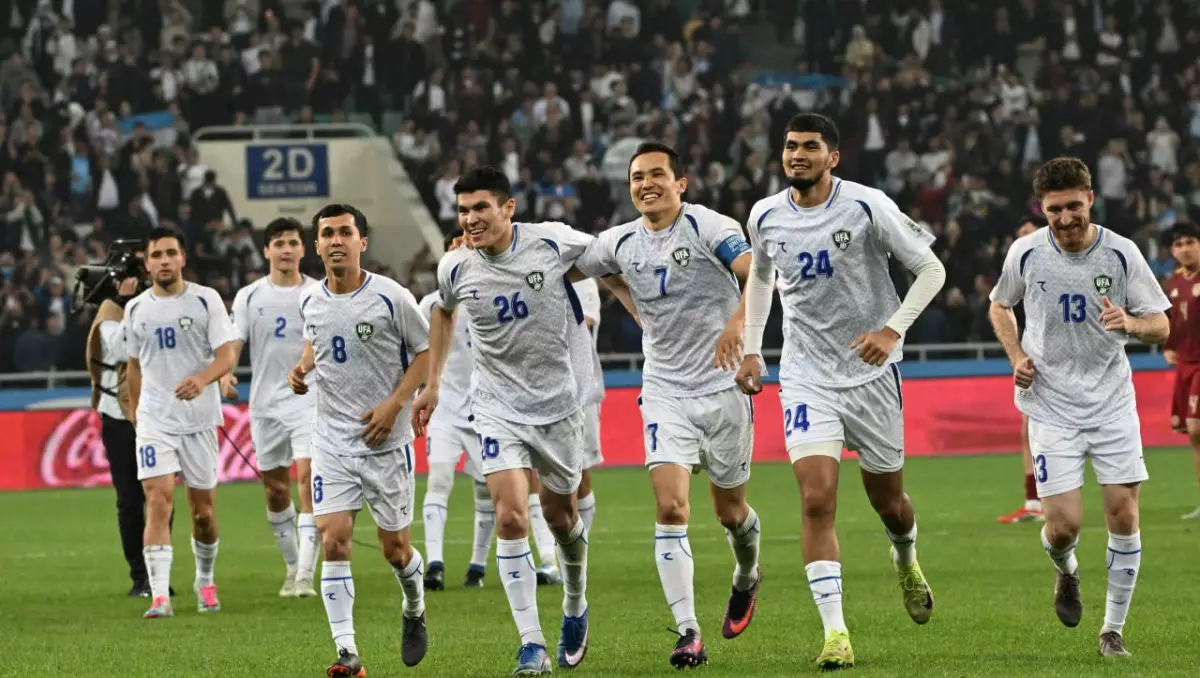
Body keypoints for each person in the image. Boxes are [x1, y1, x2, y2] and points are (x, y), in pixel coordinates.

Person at [734, 114, 946, 669]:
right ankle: (835, 633)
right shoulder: (765, 215)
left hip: (873, 375)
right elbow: (762, 277)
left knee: (888, 502)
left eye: (810, 146)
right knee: (816, 499)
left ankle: (906, 558)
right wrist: (753, 347)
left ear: (832, 157)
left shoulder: (867, 205)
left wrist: (891, 330)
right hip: (807, 376)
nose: (797, 154)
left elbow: (931, 270)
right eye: (790, 146)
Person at [573, 141, 762, 668]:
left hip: (723, 387)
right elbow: (576, 265)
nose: (646, 184)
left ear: (681, 183)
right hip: (664, 391)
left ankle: (747, 572)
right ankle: (688, 632)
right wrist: (624, 296)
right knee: (671, 507)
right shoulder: (621, 240)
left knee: (730, 513)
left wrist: (737, 325)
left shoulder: (708, 226)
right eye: (637, 177)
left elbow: (757, 272)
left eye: (657, 175)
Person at [413, 166, 605, 674]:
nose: (470, 219)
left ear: (508, 208)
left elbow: (609, 261)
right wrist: (433, 383)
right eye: (463, 210)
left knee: (562, 519)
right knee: (511, 517)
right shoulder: (455, 266)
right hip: (496, 407)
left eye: (481, 207)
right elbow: (443, 312)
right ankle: (531, 643)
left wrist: (641, 313)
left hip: (559, 406)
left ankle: (575, 602)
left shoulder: (552, 243)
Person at [988, 156, 1170, 658]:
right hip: (1051, 405)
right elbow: (1000, 305)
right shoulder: (1026, 252)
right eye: (1054, 210)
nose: (1066, 218)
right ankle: (1066, 571)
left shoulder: (1121, 253)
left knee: (1123, 514)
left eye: (1073, 206)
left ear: (1090, 198)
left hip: (1111, 404)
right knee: (1062, 526)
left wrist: (1131, 323)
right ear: (1041, 209)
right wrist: (1016, 355)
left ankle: (1112, 630)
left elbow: (1161, 323)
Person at [288, 204, 430, 676]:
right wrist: (302, 368)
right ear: (317, 245)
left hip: (385, 443)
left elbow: (426, 354)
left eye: (344, 232)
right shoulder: (309, 300)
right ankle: (347, 652)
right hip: (331, 440)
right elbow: (317, 340)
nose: (336, 240)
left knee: (396, 551)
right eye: (327, 233)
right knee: (334, 540)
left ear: (361, 242)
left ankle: (414, 605)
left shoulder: (392, 297)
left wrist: (394, 406)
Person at [123, 226, 240, 618]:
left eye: (171, 253)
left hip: (199, 421)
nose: (164, 261)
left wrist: (203, 380)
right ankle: (160, 596)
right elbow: (133, 366)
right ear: (147, 263)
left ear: (183, 259)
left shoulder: (206, 300)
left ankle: (205, 580)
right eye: (157, 255)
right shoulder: (136, 309)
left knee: (202, 512)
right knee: (157, 500)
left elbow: (227, 356)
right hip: (155, 421)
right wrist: (137, 414)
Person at [220, 218, 321, 596]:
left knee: (308, 481)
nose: (286, 250)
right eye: (279, 243)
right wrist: (226, 373)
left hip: (308, 398)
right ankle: (292, 567)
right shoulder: (249, 296)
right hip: (265, 405)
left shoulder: (317, 293)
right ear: (266, 251)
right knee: (276, 491)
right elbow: (235, 341)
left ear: (303, 249)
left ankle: (306, 575)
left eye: (293, 243)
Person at [88, 272, 172, 597]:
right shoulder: (110, 312)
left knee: (160, 496)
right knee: (130, 500)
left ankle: (158, 574)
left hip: (156, 412)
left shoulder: (158, 305)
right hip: (119, 415)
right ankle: (140, 576)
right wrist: (127, 304)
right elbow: (122, 350)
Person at [416, 259, 497, 590]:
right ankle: (434, 565)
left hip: (486, 409)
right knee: (438, 479)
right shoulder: (430, 305)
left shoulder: (491, 294)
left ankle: (477, 567)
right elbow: (416, 350)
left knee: (486, 489)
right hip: (445, 409)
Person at [997, 216, 1049, 524]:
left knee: (1047, 433)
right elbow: (1000, 305)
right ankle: (1034, 501)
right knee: (1028, 430)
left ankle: (1044, 501)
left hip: (1064, 361)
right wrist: (1017, 354)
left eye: (1028, 232)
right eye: (1020, 234)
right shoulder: (1022, 267)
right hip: (1034, 358)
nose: (1023, 238)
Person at [1161, 222, 1200, 519]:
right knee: (1193, 434)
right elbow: (1171, 319)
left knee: (1197, 427)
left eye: (1190, 242)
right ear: (1173, 251)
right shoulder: (1173, 283)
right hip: (1185, 364)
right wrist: (1169, 345)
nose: (1185, 249)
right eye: (1179, 244)